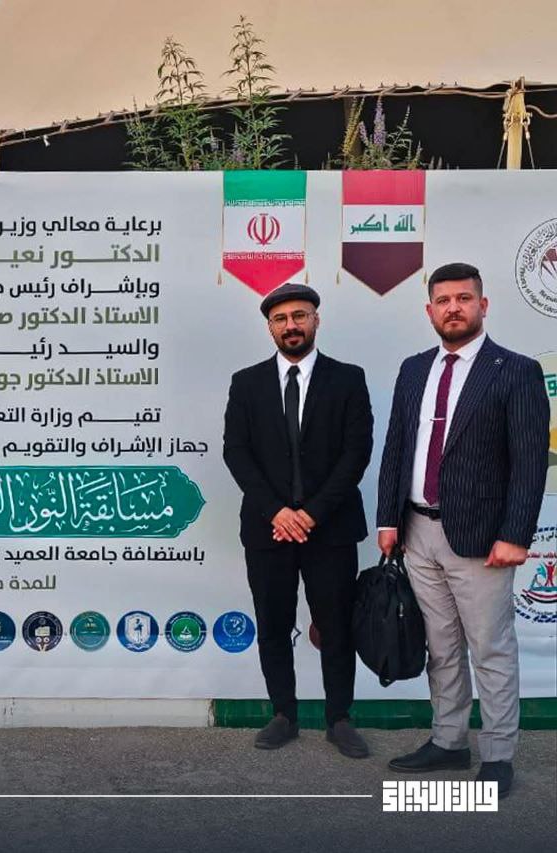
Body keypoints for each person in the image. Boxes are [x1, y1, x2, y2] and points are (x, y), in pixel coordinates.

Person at [377, 262, 547, 797]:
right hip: (417, 531)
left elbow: (530, 462)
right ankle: (448, 741)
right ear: (429, 311)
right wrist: (388, 518)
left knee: (490, 649)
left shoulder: (515, 370)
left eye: (464, 298)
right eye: (443, 300)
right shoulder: (413, 369)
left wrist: (516, 534)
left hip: (482, 537)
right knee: (441, 647)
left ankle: (497, 754)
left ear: (483, 305)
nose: (453, 308)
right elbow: (396, 447)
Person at [222, 283, 374, 758]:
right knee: (273, 624)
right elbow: (236, 452)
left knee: (336, 626)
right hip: (268, 529)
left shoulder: (348, 379)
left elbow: (356, 454)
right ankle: (283, 715)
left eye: (300, 316)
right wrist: (278, 512)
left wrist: (309, 514)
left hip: (331, 528)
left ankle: (339, 719)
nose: (291, 325)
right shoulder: (246, 383)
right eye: (281, 319)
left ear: (315, 321)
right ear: (270, 327)